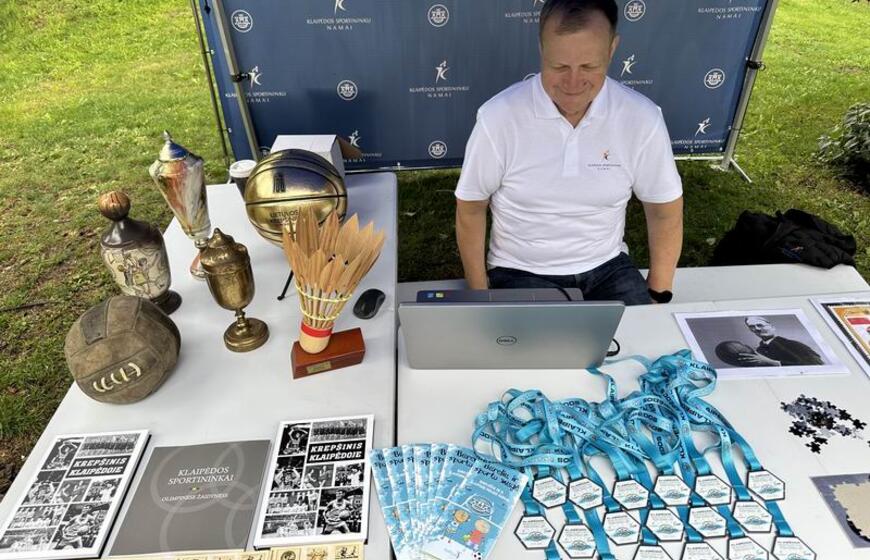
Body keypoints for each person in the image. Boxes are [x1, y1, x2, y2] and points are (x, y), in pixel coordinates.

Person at [455, 0, 683, 305]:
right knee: (542, 339)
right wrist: (480, 296)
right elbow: (470, 208)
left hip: (608, 266)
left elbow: (664, 210)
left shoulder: (641, 118)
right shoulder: (498, 118)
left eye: (589, 66)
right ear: (542, 50)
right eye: (559, 67)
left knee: (641, 334)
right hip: (521, 269)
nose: (573, 83)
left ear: (612, 49)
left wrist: (658, 292)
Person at [735, 316, 824, 367]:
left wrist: (772, 362)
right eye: (752, 327)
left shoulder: (793, 344)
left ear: (772, 327)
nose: (757, 329)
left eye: (760, 325)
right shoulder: (759, 351)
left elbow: (816, 364)